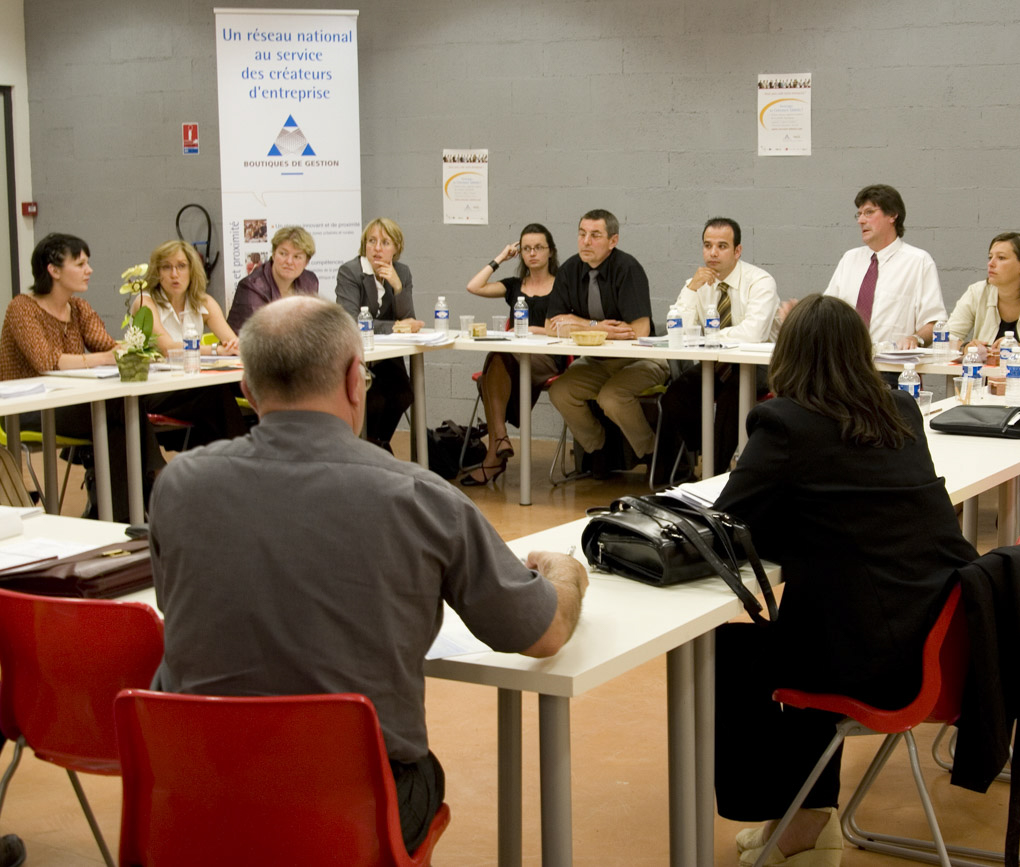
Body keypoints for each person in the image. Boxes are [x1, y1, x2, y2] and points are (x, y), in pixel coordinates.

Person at [149, 296, 587, 855]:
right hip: (352, 804)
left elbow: (178, 606)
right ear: (357, 381)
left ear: (250, 391)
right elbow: (541, 632)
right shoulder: (421, 497)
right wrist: (565, 571)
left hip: (194, 797)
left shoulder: (179, 485)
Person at [711, 295, 976, 867]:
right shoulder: (901, 410)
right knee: (808, 621)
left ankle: (796, 824)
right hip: (941, 635)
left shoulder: (784, 423)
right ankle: (805, 818)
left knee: (738, 651)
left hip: (875, 661)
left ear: (789, 355)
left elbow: (731, 524)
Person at [0, 233, 165, 521]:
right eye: (80, 264)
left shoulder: (78, 307)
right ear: (53, 270)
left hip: (74, 402)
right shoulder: (22, 307)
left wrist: (136, 347)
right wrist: (105, 358)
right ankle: (152, 480)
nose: (89, 270)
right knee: (118, 410)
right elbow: (46, 362)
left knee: (119, 419)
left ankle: (119, 517)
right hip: (28, 408)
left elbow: (107, 344)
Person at [653, 218, 778, 481]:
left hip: (757, 366)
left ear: (737, 251)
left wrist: (707, 338)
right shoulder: (696, 283)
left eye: (722, 246)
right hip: (713, 364)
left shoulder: (760, 281)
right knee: (673, 397)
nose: (712, 253)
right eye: (707, 245)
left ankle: (714, 476)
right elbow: (678, 331)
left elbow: (753, 334)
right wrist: (691, 289)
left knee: (733, 397)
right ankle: (675, 478)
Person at [545, 209, 666, 477]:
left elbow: (639, 329)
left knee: (612, 397)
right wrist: (596, 327)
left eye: (595, 235)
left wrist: (573, 323)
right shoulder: (569, 270)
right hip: (596, 362)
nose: (586, 242)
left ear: (613, 241)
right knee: (561, 392)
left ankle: (653, 454)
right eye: (582, 234)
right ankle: (599, 449)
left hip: (641, 359)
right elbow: (551, 326)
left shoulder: (628, 268)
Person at [779, 184, 945, 352]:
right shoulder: (850, 259)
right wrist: (799, 316)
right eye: (859, 214)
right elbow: (827, 316)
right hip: (845, 364)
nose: (861, 220)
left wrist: (915, 339)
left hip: (892, 367)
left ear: (893, 215)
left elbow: (934, 322)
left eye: (869, 212)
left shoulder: (918, 261)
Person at [462, 223, 565, 486]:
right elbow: (473, 287)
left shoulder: (563, 285)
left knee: (492, 368)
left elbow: (568, 330)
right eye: (527, 248)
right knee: (499, 353)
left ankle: (494, 453)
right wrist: (500, 258)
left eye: (539, 248)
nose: (532, 253)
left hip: (549, 358)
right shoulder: (514, 286)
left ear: (550, 252)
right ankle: (500, 440)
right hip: (513, 357)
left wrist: (536, 330)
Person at [131, 240, 249, 447]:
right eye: (166, 267)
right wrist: (216, 350)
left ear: (192, 270)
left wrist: (231, 347)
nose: (174, 274)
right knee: (216, 394)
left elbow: (234, 344)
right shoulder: (145, 302)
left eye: (181, 266)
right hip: (155, 391)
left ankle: (234, 459)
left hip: (192, 387)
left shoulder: (204, 302)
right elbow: (168, 349)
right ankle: (243, 457)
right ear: (157, 272)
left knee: (241, 390)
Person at [335, 218, 425, 451]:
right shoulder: (350, 272)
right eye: (372, 241)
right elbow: (351, 321)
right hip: (356, 355)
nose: (377, 248)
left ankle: (376, 445)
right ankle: (370, 449)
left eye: (385, 242)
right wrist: (393, 326)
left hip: (386, 356)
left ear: (396, 248)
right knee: (374, 399)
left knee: (403, 394)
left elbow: (409, 318)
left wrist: (397, 287)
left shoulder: (402, 272)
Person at [947, 231, 1020, 358]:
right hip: (982, 376)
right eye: (990, 257)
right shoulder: (977, 292)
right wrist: (965, 347)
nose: (991, 264)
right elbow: (945, 338)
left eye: (1001, 258)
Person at [227, 225, 319, 333]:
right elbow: (262, 335)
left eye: (297, 257)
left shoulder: (309, 281)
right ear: (274, 254)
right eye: (283, 254)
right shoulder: (252, 287)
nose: (289, 261)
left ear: (306, 262)